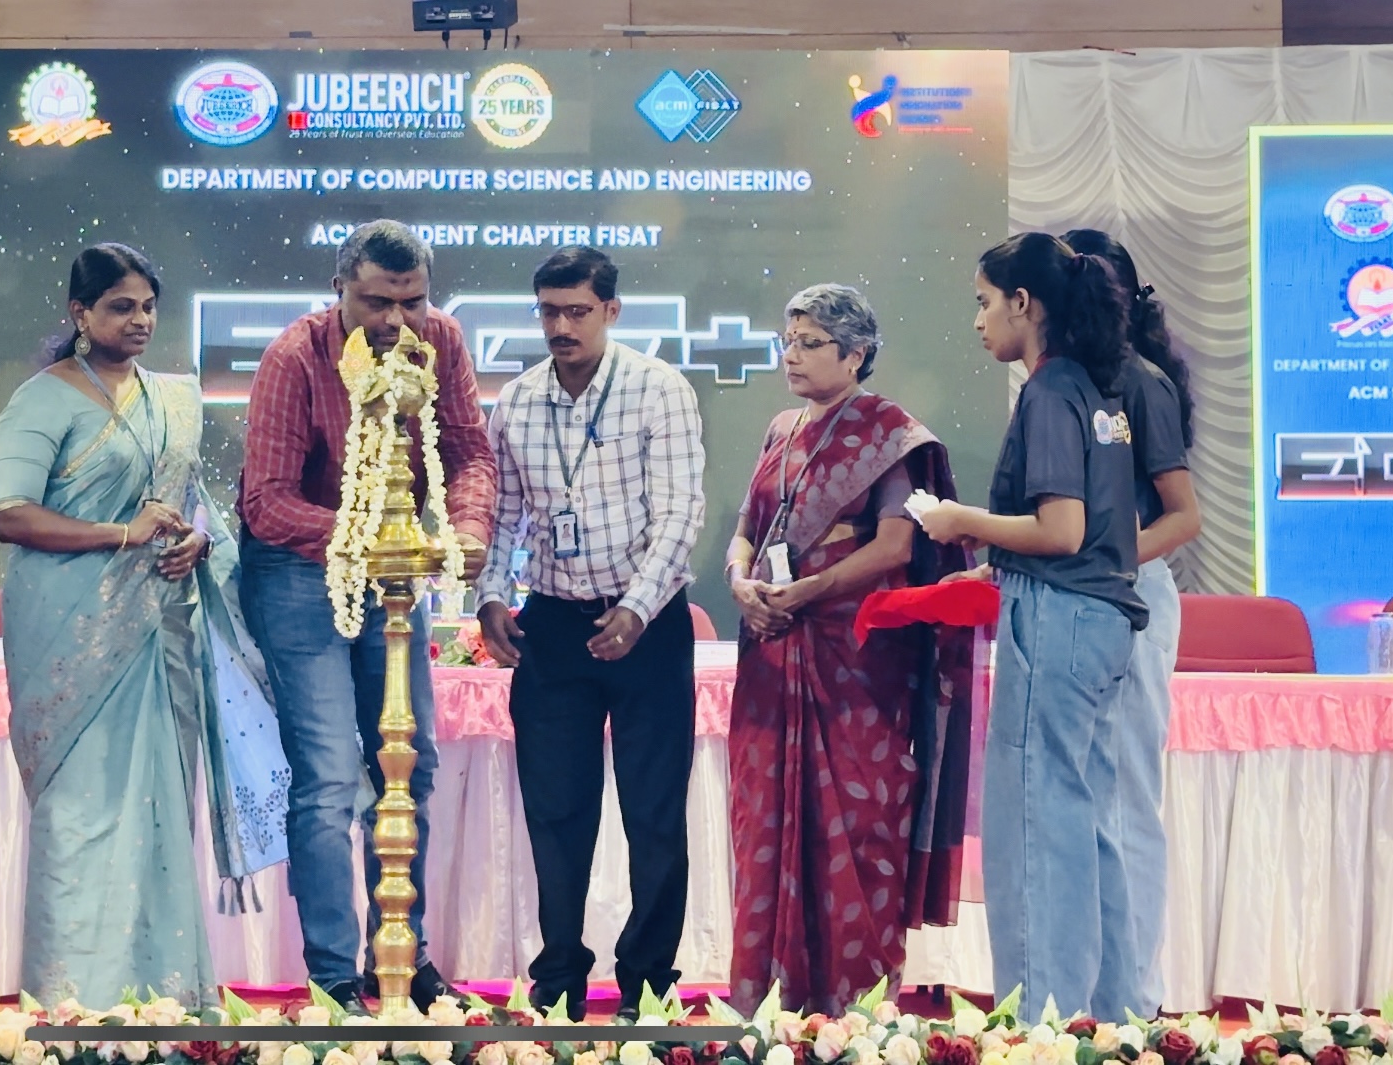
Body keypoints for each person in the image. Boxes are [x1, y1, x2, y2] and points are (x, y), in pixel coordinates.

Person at [0, 243, 290, 1008]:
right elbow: (11, 515)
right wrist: (120, 534)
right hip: (72, 637)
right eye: (120, 306)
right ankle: (71, 1001)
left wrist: (197, 540)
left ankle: (164, 995)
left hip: (162, 629)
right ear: (79, 313)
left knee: (160, 814)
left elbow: (193, 508)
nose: (139, 320)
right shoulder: (41, 399)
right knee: (81, 816)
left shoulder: (172, 399)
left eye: (148, 306)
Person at [237, 219, 498, 1010]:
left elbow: (468, 452)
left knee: (410, 764)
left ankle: (404, 957)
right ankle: (332, 977)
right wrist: (372, 536)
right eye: (376, 301)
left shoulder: (441, 341)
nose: (395, 319)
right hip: (297, 568)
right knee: (325, 775)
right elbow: (266, 504)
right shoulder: (294, 357)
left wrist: (468, 528)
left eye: (411, 301)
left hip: (392, 572)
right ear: (339, 291)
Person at [718, 283, 976, 1016]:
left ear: (856, 354)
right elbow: (746, 531)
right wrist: (739, 581)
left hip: (856, 663)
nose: (791, 356)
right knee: (764, 824)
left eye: (810, 344)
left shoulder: (890, 435)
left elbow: (896, 546)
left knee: (861, 827)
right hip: (773, 653)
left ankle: (855, 1013)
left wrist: (809, 590)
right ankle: (771, 1004)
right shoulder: (780, 428)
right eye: (788, 341)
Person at [917, 231, 1147, 1021]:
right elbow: (1101, 529)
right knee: (1085, 821)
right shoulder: (1096, 387)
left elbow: (1061, 529)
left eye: (985, 302)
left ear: (1023, 303)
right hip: (1100, 619)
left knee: (1033, 822)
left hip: (1057, 618)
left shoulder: (1049, 392)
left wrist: (959, 521)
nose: (977, 320)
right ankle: (1111, 1016)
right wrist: (995, 567)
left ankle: (1038, 1023)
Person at [473, 247, 706, 1022]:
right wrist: (489, 596)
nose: (561, 327)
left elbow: (680, 513)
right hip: (552, 624)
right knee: (555, 812)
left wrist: (636, 608)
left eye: (577, 311)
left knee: (652, 814)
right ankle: (558, 981)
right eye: (548, 312)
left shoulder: (658, 389)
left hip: (648, 624)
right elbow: (503, 515)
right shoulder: (517, 401)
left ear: (610, 310)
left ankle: (647, 983)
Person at [1061, 228, 1201, 1012]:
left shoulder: (1142, 384)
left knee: (1125, 799)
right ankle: (1087, 992)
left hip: (1130, 593)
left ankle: (1133, 1001)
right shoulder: (1059, 385)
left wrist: (1100, 561)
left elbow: (1181, 516)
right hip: (1072, 596)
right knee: (1078, 802)